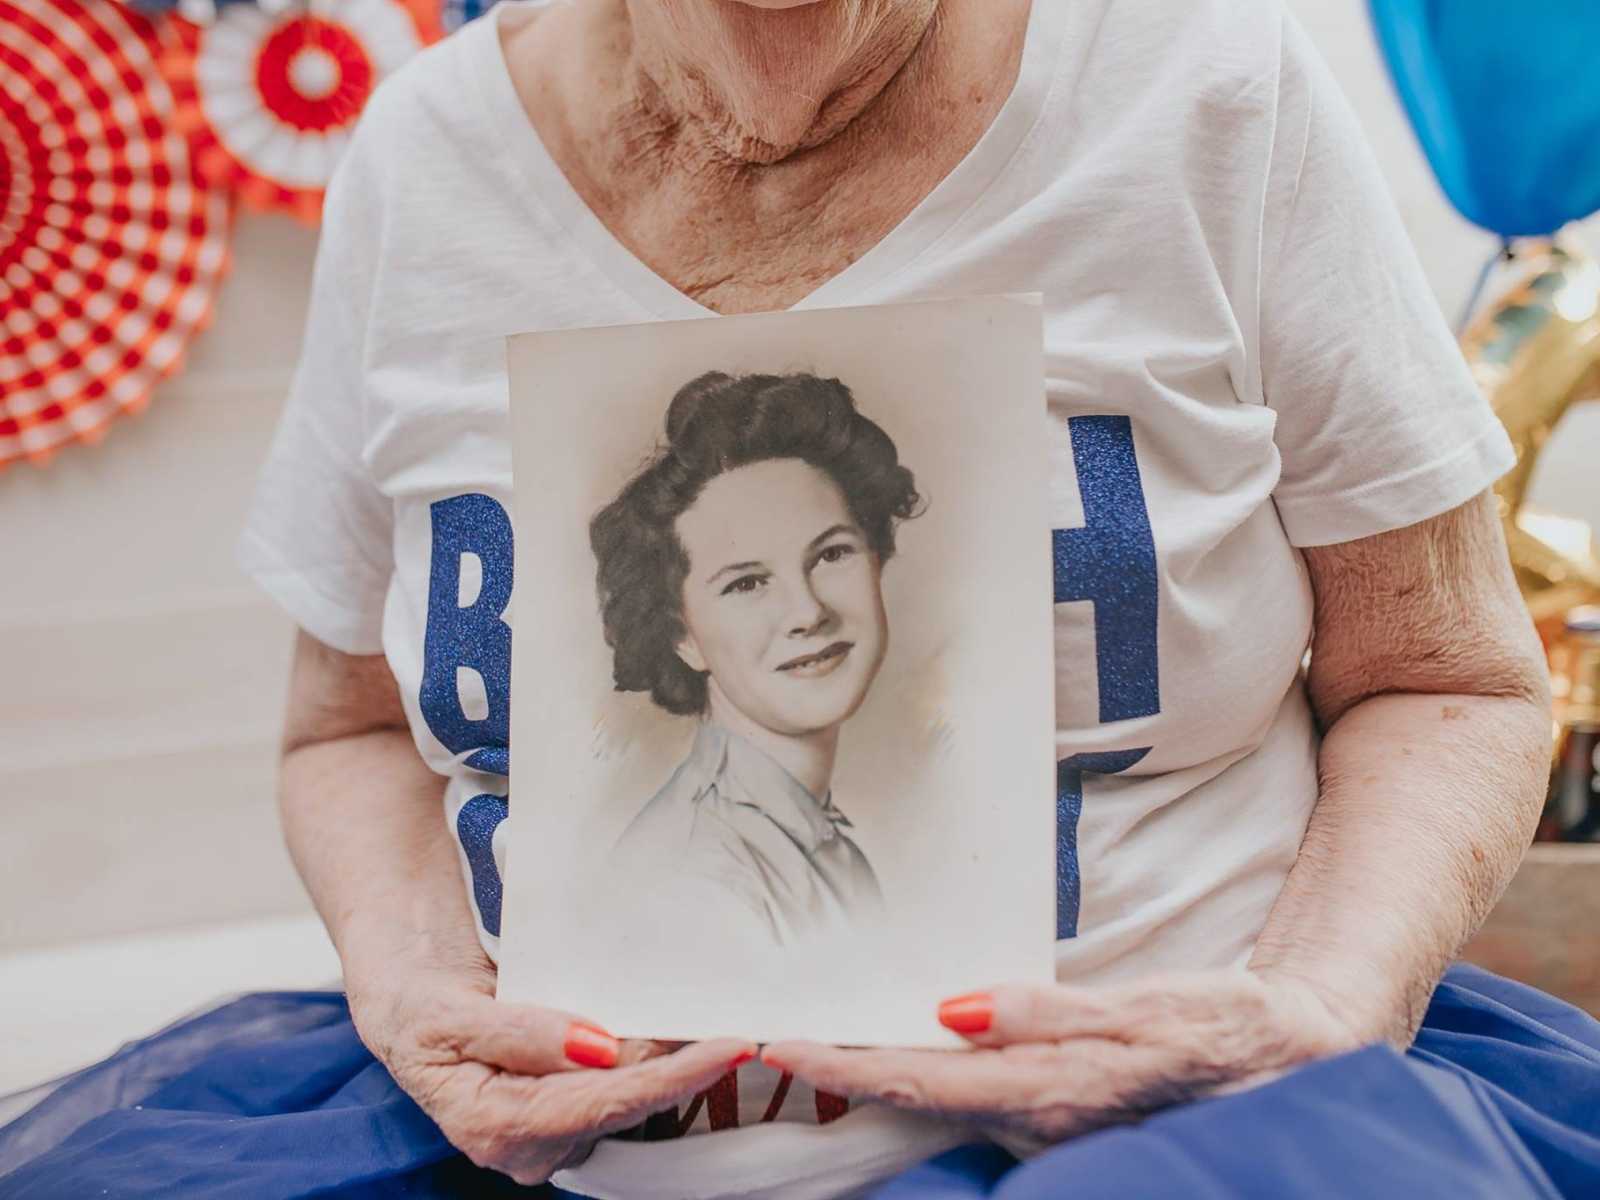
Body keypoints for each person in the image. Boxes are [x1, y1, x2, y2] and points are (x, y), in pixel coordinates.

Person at [3, 0, 1599, 1197]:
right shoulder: (422, 156)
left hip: (1170, 1136)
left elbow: (1447, 677)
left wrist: (1313, 1007)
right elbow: (345, 727)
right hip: (543, 1158)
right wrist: (413, 981)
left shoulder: (1208, 96)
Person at [592, 370, 922, 949]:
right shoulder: (694, 883)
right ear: (680, 635)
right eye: (746, 585)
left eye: (831, 554)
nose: (807, 611)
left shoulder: (808, 835)